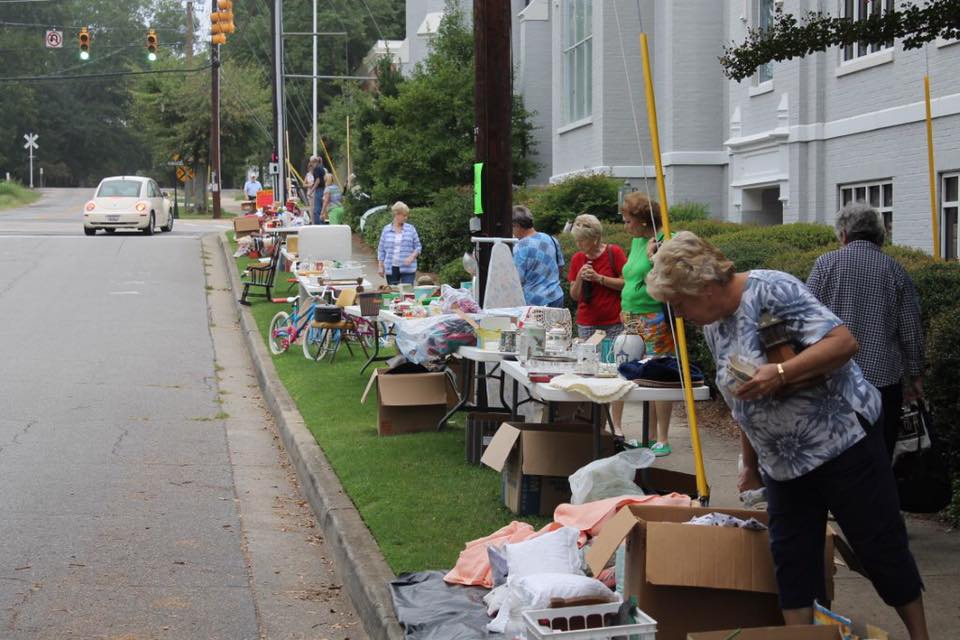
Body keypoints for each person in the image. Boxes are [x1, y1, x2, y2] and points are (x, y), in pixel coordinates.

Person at [645, 231, 929, 640]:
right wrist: (751, 463)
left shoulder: (772, 289)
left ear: (705, 287)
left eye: (679, 303)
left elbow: (843, 342)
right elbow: (741, 399)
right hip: (783, 461)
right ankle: (800, 638)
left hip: (842, 444)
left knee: (878, 545)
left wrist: (780, 372)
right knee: (792, 559)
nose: (678, 313)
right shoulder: (713, 321)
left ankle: (921, 635)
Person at [807, 202, 924, 459]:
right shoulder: (894, 270)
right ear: (880, 236)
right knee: (880, 459)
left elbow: (804, 321)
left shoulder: (825, 265)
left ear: (844, 234)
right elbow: (910, 331)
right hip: (883, 385)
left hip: (832, 382)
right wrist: (915, 377)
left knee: (837, 458)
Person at [619, 192, 674, 456]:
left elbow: (668, 276)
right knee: (641, 378)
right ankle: (649, 435)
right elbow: (630, 277)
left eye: (628, 220)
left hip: (654, 317)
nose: (625, 226)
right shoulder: (637, 241)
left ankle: (662, 437)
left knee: (658, 377)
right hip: (631, 317)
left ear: (642, 221)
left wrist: (655, 258)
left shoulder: (664, 239)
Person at [568, 213, 627, 435]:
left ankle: (617, 425)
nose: (578, 244)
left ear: (594, 238)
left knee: (614, 373)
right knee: (587, 372)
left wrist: (600, 278)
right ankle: (593, 422)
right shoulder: (577, 259)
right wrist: (583, 278)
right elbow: (574, 295)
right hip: (587, 322)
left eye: (581, 240)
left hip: (613, 321)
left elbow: (626, 284)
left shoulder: (614, 253)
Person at [511, 206, 565, 308]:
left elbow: (517, 280)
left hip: (535, 302)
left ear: (517, 225)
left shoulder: (520, 247)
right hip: (557, 297)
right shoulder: (552, 239)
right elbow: (560, 268)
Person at [377, 201, 422, 285]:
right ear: (396, 214)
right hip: (391, 268)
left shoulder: (411, 229)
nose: (406, 218)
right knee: (394, 294)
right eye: (404, 215)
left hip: (408, 268)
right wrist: (380, 266)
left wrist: (411, 257)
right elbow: (381, 250)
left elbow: (418, 247)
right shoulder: (386, 230)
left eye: (406, 215)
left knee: (407, 293)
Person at [309, 157, 326, 224]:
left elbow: (318, 181)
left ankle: (318, 226)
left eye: (311, 163)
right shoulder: (322, 168)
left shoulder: (316, 169)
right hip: (324, 189)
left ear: (313, 162)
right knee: (322, 209)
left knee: (316, 211)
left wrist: (311, 191)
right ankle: (323, 226)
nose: (311, 164)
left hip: (319, 190)